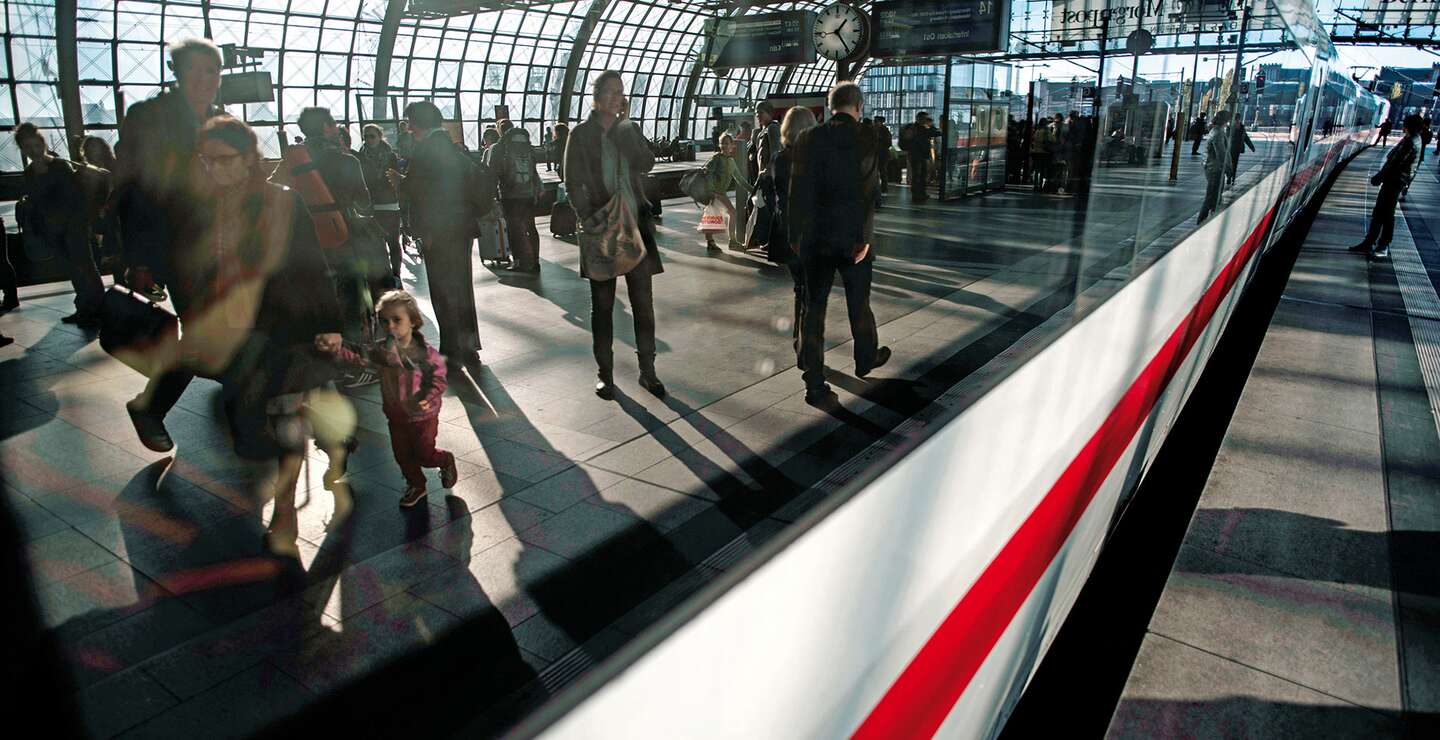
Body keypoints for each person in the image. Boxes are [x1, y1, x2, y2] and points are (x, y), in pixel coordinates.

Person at [170, 115, 348, 549]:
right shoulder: (204, 207)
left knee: (285, 420)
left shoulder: (282, 201)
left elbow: (310, 266)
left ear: (249, 158)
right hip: (235, 336)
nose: (215, 169)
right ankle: (334, 447)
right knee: (253, 427)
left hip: (282, 330)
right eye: (207, 161)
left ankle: (285, 512)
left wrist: (330, 325)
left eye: (224, 160)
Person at [117, 38, 224, 452]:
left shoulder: (220, 121)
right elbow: (131, 189)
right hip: (177, 249)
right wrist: (138, 260)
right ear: (177, 73)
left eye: (212, 71)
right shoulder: (149, 118)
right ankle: (150, 406)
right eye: (196, 70)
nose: (205, 80)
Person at [564, 69, 666, 400]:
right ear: (595, 95)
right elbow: (571, 180)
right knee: (602, 306)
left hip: (635, 227)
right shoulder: (580, 134)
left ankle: (648, 371)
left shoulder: (629, 129)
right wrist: (588, 217)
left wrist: (627, 129)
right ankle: (604, 374)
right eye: (609, 91)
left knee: (643, 305)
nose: (615, 97)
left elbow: (647, 162)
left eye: (619, 92)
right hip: (600, 228)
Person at [789, 81, 890, 406]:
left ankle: (814, 382)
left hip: (815, 240)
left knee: (813, 310)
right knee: (858, 302)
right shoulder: (867, 136)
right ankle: (865, 358)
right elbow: (868, 191)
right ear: (858, 106)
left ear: (830, 106)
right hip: (851, 241)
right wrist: (862, 239)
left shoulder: (808, 138)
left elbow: (797, 192)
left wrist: (795, 237)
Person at [322, 290, 457, 508]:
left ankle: (444, 460)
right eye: (385, 322)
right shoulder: (383, 352)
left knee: (424, 454)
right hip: (396, 417)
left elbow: (438, 380)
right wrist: (338, 350)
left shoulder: (425, 354)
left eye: (397, 320)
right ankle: (417, 485)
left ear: (413, 321)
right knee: (402, 456)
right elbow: (360, 357)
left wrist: (425, 398)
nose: (391, 326)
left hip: (423, 417)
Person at [386, 101, 482, 367]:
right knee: (462, 286)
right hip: (461, 227)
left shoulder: (425, 150)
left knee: (442, 289)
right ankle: (470, 347)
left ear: (416, 124)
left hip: (438, 230)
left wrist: (399, 181)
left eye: (409, 123)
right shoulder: (451, 146)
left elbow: (421, 192)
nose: (408, 128)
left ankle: (451, 351)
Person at [287, 107, 376, 372]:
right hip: (342, 237)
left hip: (305, 243)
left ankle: (320, 364)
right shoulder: (347, 161)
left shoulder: (293, 162)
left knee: (318, 301)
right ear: (327, 126)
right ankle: (351, 366)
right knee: (350, 299)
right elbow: (364, 201)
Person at [15, 123, 105, 328]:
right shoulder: (33, 172)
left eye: (35, 145)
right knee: (74, 270)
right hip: (55, 230)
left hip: (74, 227)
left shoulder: (60, 166)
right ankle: (86, 308)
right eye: (27, 148)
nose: (33, 151)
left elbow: (75, 199)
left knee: (85, 267)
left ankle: (97, 308)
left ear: (42, 143)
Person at [770, 106, 818, 368]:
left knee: (801, 289)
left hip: (786, 235)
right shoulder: (813, 161)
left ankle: (799, 342)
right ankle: (805, 350)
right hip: (808, 236)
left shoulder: (779, 159)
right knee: (810, 294)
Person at [1350, 114, 1422, 260]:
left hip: (1395, 181)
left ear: (1408, 125)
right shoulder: (1412, 138)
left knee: (1386, 214)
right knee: (1380, 213)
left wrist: (1379, 177)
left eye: (1404, 123)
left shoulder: (1410, 141)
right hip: (1396, 180)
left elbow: (1394, 162)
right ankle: (1370, 242)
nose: (1402, 126)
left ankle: (1383, 245)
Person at [487, 119, 543, 273]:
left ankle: (521, 262)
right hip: (529, 194)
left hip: (510, 194)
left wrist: (491, 194)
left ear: (500, 131)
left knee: (514, 228)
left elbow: (493, 173)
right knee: (530, 227)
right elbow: (534, 169)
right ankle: (535, 261)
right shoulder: (528, 147)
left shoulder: (500, 147)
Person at [358, 124, 404, 282]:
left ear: (380, 136)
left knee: (393, 242)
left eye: (372, 136)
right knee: (377, 245)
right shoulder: (361, 156)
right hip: (371, 206)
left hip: (390, 204)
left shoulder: (390, 156)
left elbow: (395, 179)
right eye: (365, 136)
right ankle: (384, 277)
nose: (368, 140)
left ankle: (396, 274)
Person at [704, 133, 750, 251]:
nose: (725, 145)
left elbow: (739, 179)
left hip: (720, 193)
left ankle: (726, 241)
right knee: (712, 215)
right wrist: (711, 191)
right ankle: (719, 241)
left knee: (719, 214)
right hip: (714, 193)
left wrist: (752, 189)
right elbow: (708, 174)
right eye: (723, 143)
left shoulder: (731, 162)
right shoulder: (716, 158)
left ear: (732, 146)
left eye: (727, 143)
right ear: (720, 145)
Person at [746, 101, 782, 247]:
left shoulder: (772, 129)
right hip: (764, 176)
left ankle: (765, 238)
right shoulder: (762, 131)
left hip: (768, 177)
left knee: (764, 206)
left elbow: (775, 152)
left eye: (761, 112)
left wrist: (767, 171)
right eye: (756, 113)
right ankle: (763, 238)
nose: (758, 115)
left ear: (769, 113)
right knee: (761, 206)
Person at [1198, 110, 1234, 222]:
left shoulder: (1217, 131)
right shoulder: (1218, 133)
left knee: (1215, 196)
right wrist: (1228, 168)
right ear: (1226, 120)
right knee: (1212, 196)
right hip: (1215, 168)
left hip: (1213, 167)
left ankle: (1209, 219)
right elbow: (1221, 153)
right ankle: (1201, 221)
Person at [901, 112, 942, 202]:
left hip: (920, 155)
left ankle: (920, 194)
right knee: (918, 175)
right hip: (918, 156)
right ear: (921, 119)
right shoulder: (919, 129)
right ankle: (917, 195)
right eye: (926, 119)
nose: (927, 120)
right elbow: (935, 133)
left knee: (921, 175)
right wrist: (931, 126)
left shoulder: (919, 128)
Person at [1227, 117, 1256, 187]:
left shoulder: (1242, 128)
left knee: (1235, 164)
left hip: (1237, 149)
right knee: (1230, 164)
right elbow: (1226, 137)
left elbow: (1246, 138)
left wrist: (1252, 147)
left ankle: (1232, 178)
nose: (1237, 121)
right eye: (1236, 120)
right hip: (1230, 149)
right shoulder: (1230, 128)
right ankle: (1229, 176)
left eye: (1238, 120)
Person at [1029, 117, 1055, 192]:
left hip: (1036, 152)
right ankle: (1040, 186)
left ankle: (1035, 185)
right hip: (1043, 152)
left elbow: (1034, 140)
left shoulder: (1037, 130)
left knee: (1037, 170)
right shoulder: (1046, 131)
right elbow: (1052, 139)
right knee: (1042, 170)